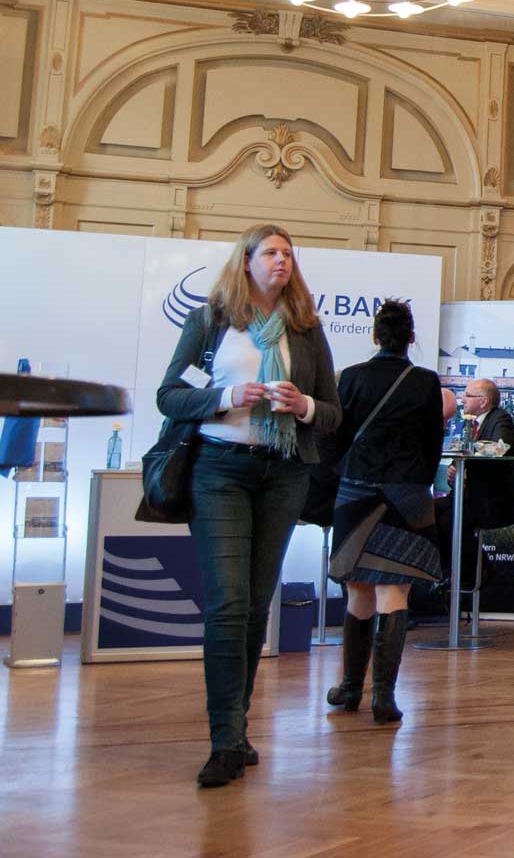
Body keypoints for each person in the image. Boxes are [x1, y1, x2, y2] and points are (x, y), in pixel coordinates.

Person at [155, 223, 341, 788]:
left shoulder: (305, 330)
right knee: (228, 606)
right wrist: (228, 397)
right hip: (218, 471)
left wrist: (303, 403)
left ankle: (238, 728)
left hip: (283, 474)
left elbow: (332, 413)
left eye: (289, 254)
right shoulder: (209, 321)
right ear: (247, 262)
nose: (282, 261)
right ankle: (224, 740)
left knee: (258, 606)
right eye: (271, 253)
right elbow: (170, 394)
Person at [323, 301, 443, 726]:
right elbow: (434, 445)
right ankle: (384, 698)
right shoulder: (426, 382)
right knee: (395, 593)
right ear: (412, 337)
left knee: (357, 590)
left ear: (375, 336)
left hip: (356, 492)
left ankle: (350, 687)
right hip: (407, 494)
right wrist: (417, 483)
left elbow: (334, 439)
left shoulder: (351, 378)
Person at [438, 379, 514, 603]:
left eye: (467, 395)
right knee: (430, 515)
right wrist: (454, 471)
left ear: (484, 402)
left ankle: (474, 572)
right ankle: (450, 571)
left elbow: (500, 448)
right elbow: (467, 462)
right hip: (467, 496)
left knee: (450, 520)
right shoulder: (472, 424)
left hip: (493, 501)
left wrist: (466, 457)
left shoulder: (500, 419)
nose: (462, 399)